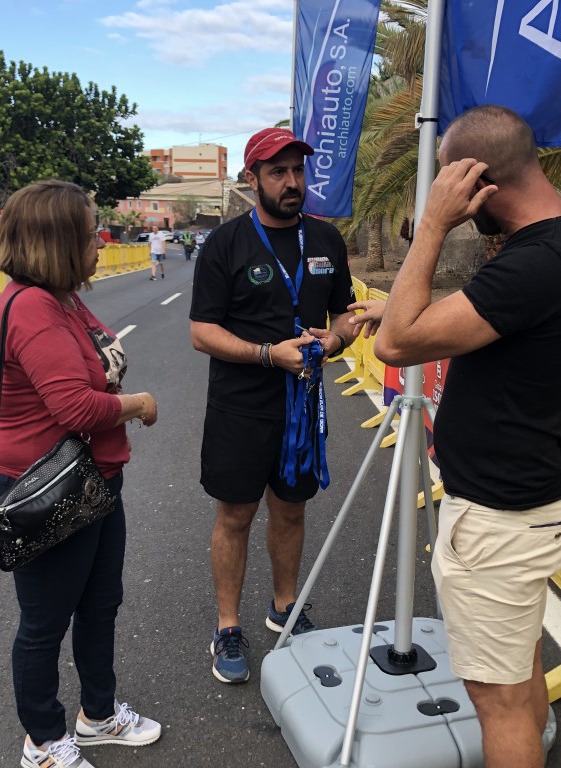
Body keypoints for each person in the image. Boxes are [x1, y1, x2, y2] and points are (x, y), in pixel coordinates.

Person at [374, 105, 561, 768]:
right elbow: (479, 321)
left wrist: (434, 226)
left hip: (500, 519)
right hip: (530, 501)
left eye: (454, 188)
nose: (455, 202)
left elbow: (396, 342)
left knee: (494, 700)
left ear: (480, 183)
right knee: (518, 661)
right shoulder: (558, 245)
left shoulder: (536, 264)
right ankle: (537, 738)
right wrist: (388, 305)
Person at [0, 180, 163, 768]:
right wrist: (137, 404)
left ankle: (98, 715)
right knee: (43, 624)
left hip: (92, 483)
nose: (101, 240)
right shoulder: (32, 307)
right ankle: (42, 741)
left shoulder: (63, 297)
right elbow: (75, 408)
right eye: (90, 232)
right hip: (48, 489)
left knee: (100, 602)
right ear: (59, 240)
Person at [189, 127, 357, 684]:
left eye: (298, 171)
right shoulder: (225, 244)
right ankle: (228, 626)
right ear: (252, 178)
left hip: (303, 407)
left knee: (291, 509)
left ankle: (285, 606)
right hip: (240, 407)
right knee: (235, 515)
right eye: (278, 172)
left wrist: (334, 342)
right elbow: (201, 332)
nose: (292, 182)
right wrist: (266, 354)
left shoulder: (327, 241)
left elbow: (345, 318)